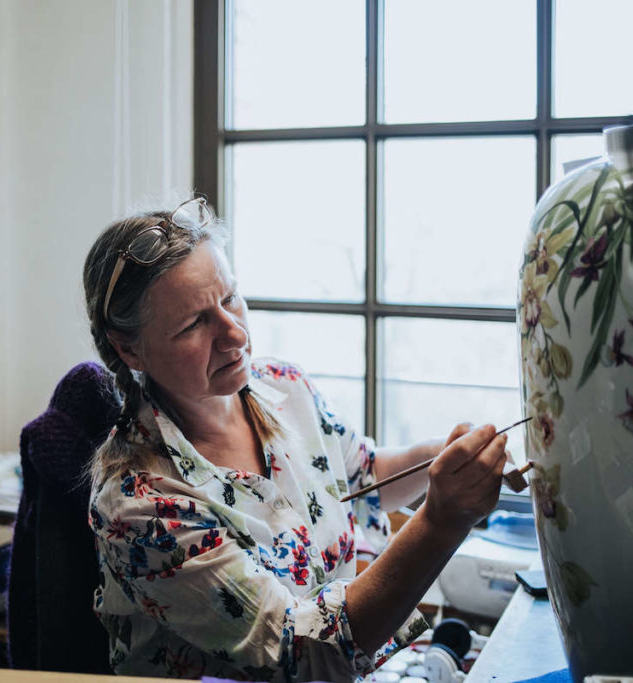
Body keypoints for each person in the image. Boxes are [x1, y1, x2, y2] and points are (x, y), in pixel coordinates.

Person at [82, 196, 508, 682]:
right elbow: (299, 656)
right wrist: (443, 520)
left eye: (229, 299)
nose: (235, 334)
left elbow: (361, 473)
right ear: (128, 348)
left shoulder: (283, 385)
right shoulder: (139, 505)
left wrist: (444, 457)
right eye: (194, 324)